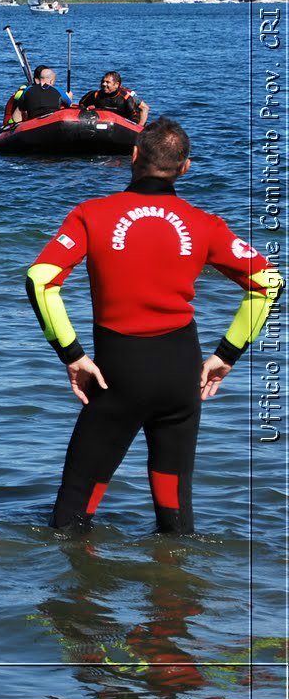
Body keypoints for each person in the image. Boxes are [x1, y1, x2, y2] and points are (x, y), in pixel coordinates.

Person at [25, 118, 282, 532]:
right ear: (185, 168)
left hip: (117, 378)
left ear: (132, 157)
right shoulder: (206, 224)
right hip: (183, 375)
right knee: (175, 515)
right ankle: (179, 590)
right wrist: (226, 355)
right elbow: (269, 282)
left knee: (72, 516)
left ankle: (80, 594)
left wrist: (72, 356)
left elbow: (40, 280)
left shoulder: (91, 215)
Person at [79, 71, 150, 127]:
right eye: (103, 82)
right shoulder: (95, 94)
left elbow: (143, 108)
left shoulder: (128, 95)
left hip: (122, 126)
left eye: (107, 82)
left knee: (143, 108)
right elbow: (81, 104)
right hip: (101, 124)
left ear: (117, 84)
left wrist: (139, 126)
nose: (103, 84)